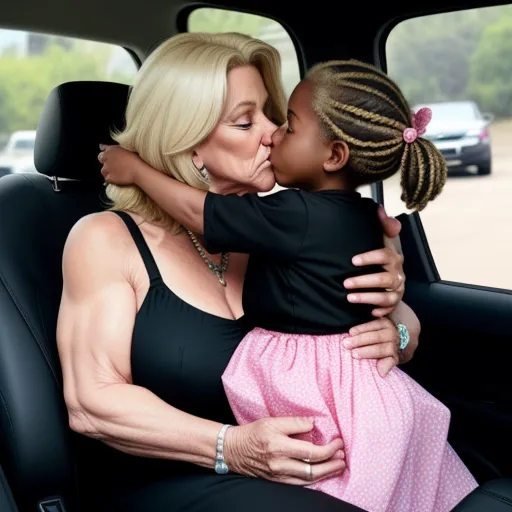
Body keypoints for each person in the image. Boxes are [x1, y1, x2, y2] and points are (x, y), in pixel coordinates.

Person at [99, 56, 479, 512]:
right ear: (189, 145)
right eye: (245, 120)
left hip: (318, 451)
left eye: (279, 118)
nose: (271, 132)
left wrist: (399, 324)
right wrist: (230, 445)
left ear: (334, 155)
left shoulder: (289, 219)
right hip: (186, 485)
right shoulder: (107, 239)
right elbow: (93, 403)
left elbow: (377, 317)